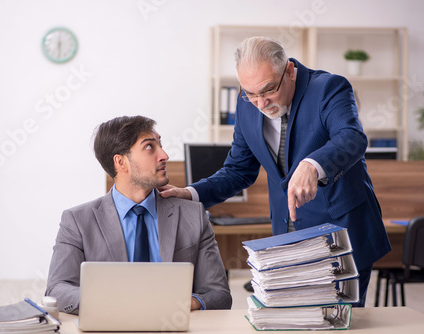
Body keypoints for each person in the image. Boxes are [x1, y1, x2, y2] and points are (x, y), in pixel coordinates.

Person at [159, 36, 391, 307]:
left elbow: (352, 138)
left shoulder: (328, 87)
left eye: (269, 90)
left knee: (335, 322)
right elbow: (238, 171)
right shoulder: (246, 104)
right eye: (251, 93)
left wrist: (312, 165)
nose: (261, 103)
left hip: (341, 237)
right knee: (294, 321)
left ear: (289, 71)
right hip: (287, 239)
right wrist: (190, 193)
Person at [45, 115, 232, 314]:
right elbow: (57, 289)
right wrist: (112, 303)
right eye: (150, 147)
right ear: (120, 162)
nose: (165, 155)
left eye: (160, 144)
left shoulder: (193, 215)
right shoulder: (78, 221)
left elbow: (219, 293)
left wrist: (187, 303)